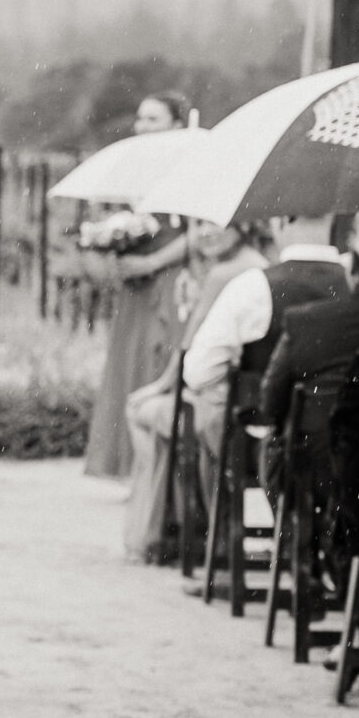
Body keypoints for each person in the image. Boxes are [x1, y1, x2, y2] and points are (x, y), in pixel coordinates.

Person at [174, 216, 350, 515]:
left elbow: (197, 372)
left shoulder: (254, 286)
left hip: (271, 449)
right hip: (356, 451)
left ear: (280, 222)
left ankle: (235, 534)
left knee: (210, 409)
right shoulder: (358, 285)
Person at [121, 220, 263, 560]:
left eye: (217, 224)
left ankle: (161, 529)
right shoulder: (260, 265)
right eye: (199, 225)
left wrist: (158, 386)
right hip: (251, 409)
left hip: (218, 413)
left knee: (140, 411)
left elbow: (190, 349)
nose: (204, 233)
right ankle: (181, 526)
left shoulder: (222, 275)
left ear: (243, 225)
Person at [259, 213, 359, 499]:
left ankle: (295, 536)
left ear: (354, 264)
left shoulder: (308, 321)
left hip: (328, 484)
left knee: (273, 441)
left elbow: (271, 403)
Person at [85, 92, 195, 479]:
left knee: (157, 355)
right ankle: (127, 460)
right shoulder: (135, 172)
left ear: (177, 125)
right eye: (140, 119)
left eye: (153, 119)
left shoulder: (189, 170)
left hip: (168, 277)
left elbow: (194, 233)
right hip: (136, 284)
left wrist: (150, 260)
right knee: (129, 358)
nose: (142, 127)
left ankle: (157, 464)